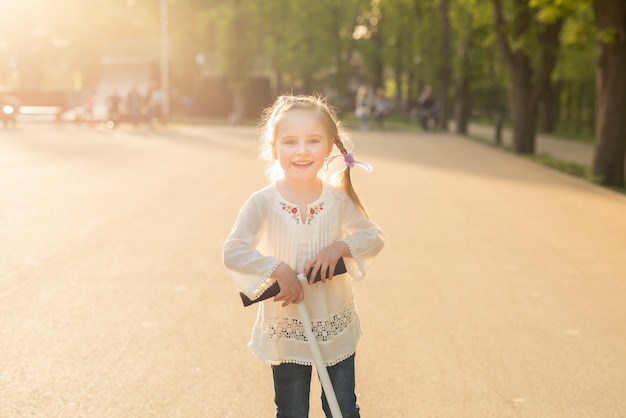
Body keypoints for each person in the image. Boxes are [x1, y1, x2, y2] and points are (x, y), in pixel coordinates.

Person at [223, 94, 384, 418]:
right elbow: (234, 250)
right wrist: (277, 268)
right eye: (290, 142)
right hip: (288, 327)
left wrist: (339, 247)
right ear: (274, 147)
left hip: (333, 323)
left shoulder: (337, 200)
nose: (301, 150)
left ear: (328, 148)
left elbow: (372, 236)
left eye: (313, 141)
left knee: (342, 409)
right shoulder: (262, 202)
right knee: (292, 411)